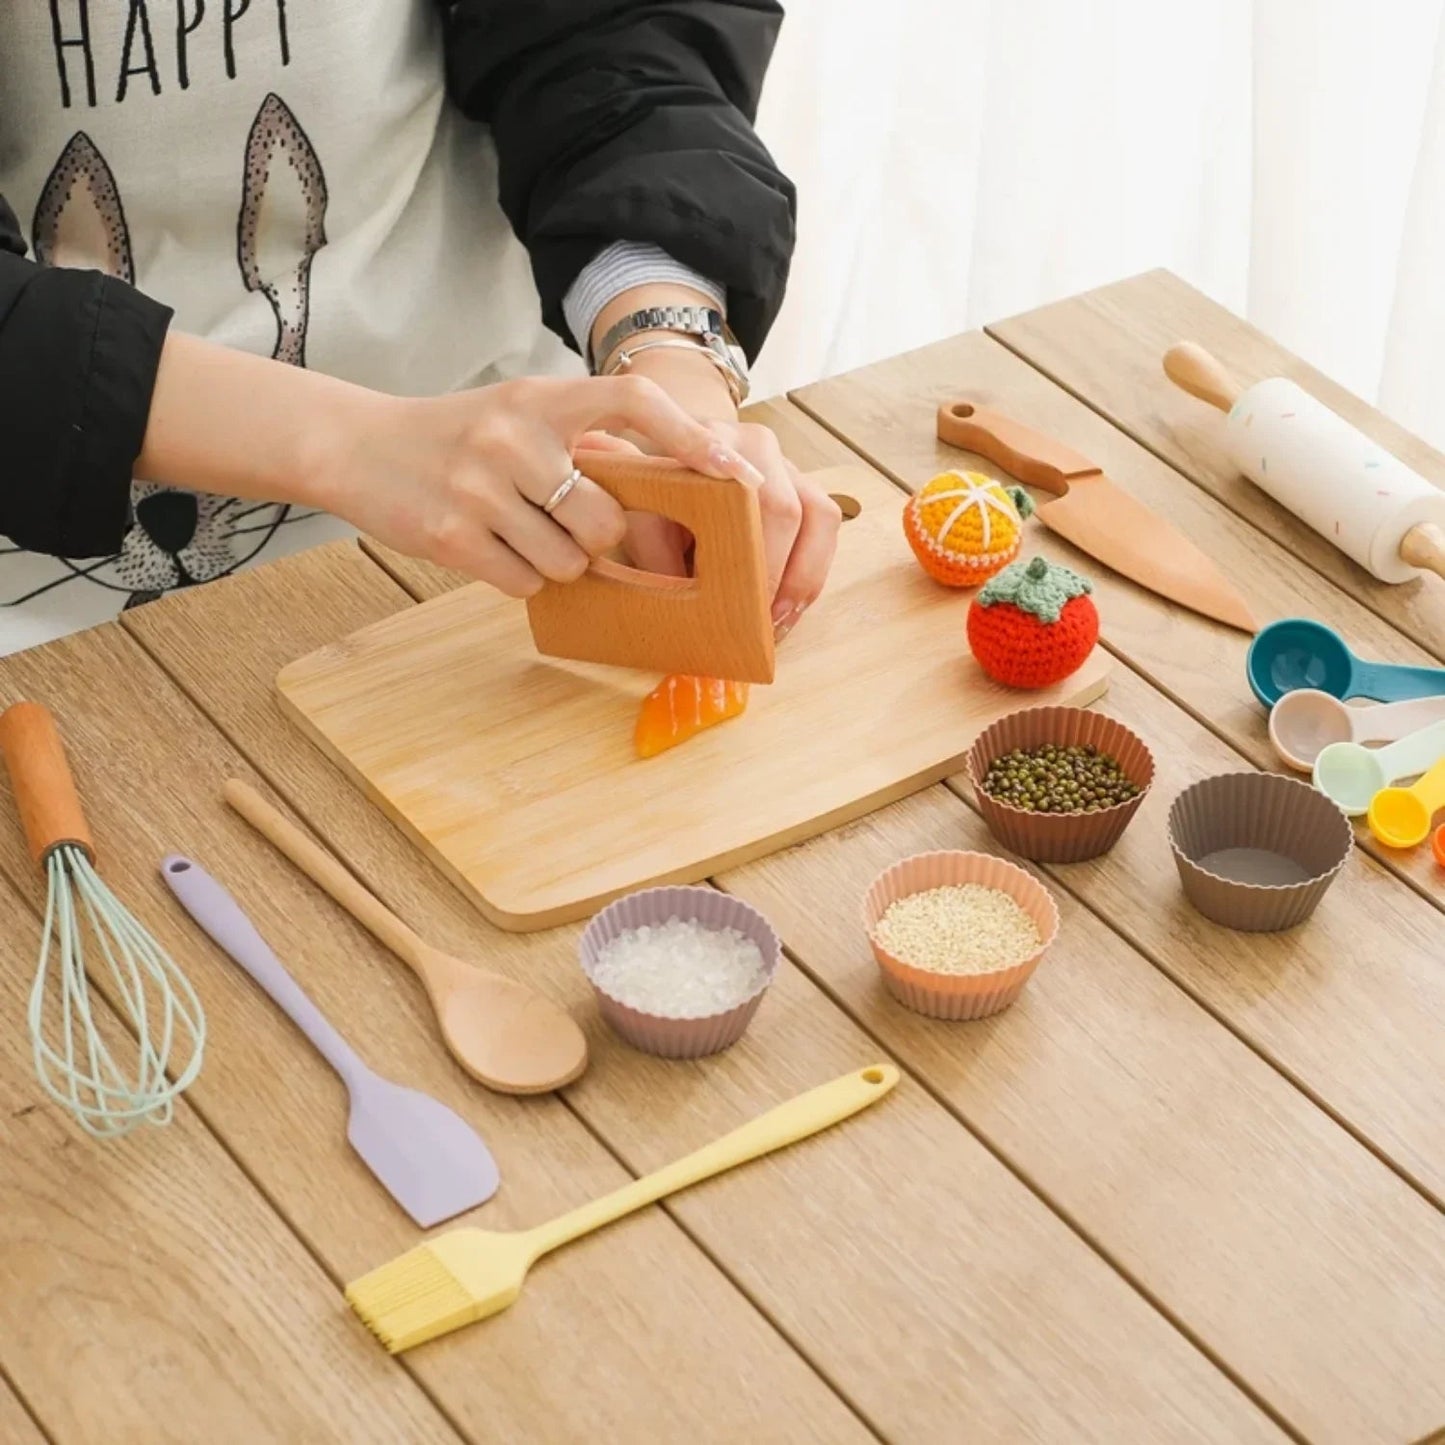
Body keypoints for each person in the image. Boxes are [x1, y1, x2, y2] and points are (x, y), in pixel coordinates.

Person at [0, 2, 840, 656]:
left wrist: (662, 350)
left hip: (510, 525)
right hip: (36, 606)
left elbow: (612, 27)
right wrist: (351, 441)